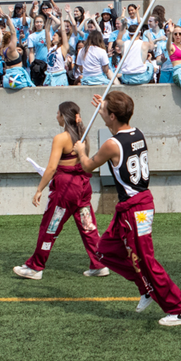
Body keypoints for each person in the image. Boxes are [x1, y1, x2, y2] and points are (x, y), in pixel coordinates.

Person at [72, 92, 181, 327]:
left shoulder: (112, 143)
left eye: (104, 110)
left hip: (136, 209)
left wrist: (80, 150)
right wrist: (105, 109)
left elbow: (88, 166)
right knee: (104, 252)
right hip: (129, 207)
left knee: (147, 262)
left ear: (112, 116)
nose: (101, 112)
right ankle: (147, 288)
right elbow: (116, 128)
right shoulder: (137, 132)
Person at [14, 102, 108, 280]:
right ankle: (99, 263)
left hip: (65, 190)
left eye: (58, 113)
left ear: (63, 117)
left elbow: (51, 168)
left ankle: (35, 267)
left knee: (50, 227)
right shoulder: (83, 136)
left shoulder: (61, 138)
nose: (56, 116)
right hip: (82, 188)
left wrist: (39, 189)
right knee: (88, 227)